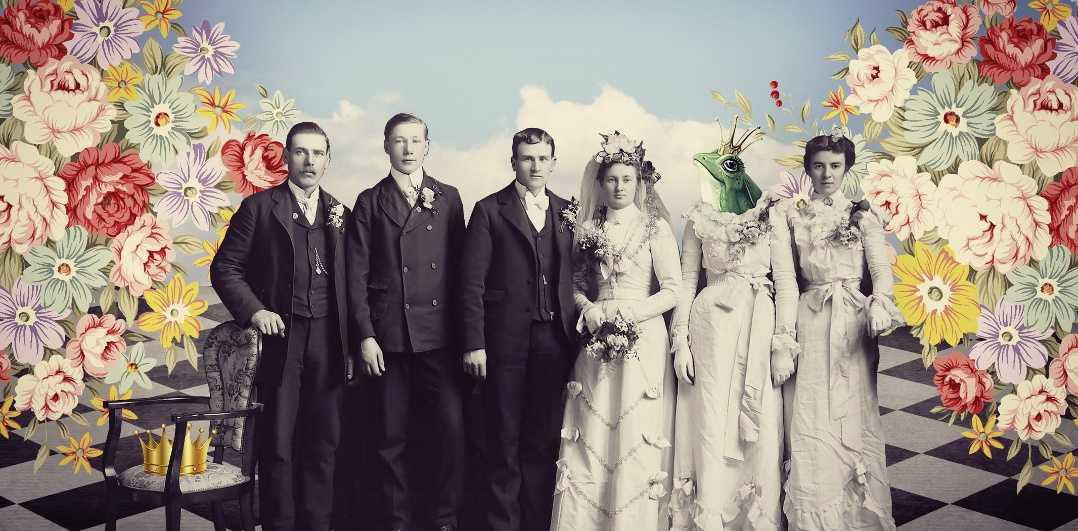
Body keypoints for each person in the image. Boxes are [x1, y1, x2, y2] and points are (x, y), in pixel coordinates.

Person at [210, 122, 352, 531]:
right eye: (301, 152)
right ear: (287, 157)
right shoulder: (258, 208)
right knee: (279, 443)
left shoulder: (341, 213)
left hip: (329, 340)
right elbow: (225, 268)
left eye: (318, 153)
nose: (309, 161)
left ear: (328, 160)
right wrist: (256, 311)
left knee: (324, 442)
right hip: (281, 343)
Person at [770, 132, 904, 530]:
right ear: (807, 169)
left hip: (853, 322)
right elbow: (787, 281)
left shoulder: (862, 215)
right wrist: (784, 338)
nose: (826, 174)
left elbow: (881, 272)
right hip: (811, 319)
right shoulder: (792, 216)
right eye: (818, 166)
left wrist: (879, 303)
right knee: (811, 413)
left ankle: (858, 516)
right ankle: (816, 515)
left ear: (846, 168)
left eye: (835, 166)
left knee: (855, 410)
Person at [549, 131, 680, 531]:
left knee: (635, 430)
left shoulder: (655, 228)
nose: (619, 187)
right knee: (593, 428)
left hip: (642, 335)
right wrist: (589, 309)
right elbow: (576, 285)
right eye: (611, 180)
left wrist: (631, 313)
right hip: (596, 335)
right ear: (600, 184)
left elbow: (673, 289)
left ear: (639, 182)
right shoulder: (588, 229)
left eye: (627, 179)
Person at [347, 113, 467, 531]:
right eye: (399, 141)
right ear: (386, 146)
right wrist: (365, 336)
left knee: (451, 432)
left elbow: (462, 273)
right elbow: (355, 276)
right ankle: (396, 522)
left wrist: (466, 337)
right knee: (389, 438)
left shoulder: (449, 197)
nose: (408, 149)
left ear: (427, 146)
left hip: (439, 337)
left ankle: (445, 520)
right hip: (389, 338)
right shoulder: (369, 201)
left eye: (416, 141)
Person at [458, 128, 578, 531]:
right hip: (502, 343)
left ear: (553, 163)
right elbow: (470, 284)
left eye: (543, 158)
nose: (535, 165)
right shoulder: (489, 210)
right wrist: (474, 343)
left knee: (543, 442)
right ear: (514, 162)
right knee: (503, 441)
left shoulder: (567, 212)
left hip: (554, 342)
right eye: (527, 158)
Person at [668, 121, 784, 530]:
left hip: (758, 324)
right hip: (711, 330)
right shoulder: (698, 219)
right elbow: (687, 281)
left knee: (761, 420)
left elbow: (786, 280)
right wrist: (680, 342)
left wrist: (783, 344)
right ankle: (710, 515)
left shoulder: (770, 215)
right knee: (711, 419)